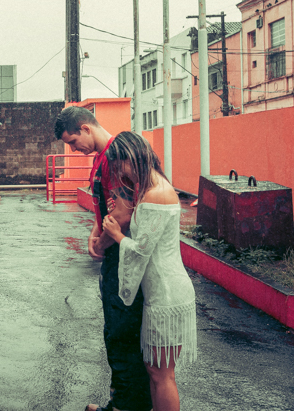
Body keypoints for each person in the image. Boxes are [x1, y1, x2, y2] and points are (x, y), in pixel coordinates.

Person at [54, 107, 152, 411]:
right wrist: (94, 233)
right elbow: (104, 206)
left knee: (121, 332)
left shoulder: (115, 156)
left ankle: (127, 405)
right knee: (114, 331)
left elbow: (123, 213)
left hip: (123, 257)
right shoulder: (100, 159)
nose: (73, 149)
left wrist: (103, 239)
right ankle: (121, 401)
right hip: (113, 254)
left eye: (72, 142)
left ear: (85, 128)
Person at [101, 131, 197, 411]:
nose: (120, 175)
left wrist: (116, 234)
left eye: (120, 167)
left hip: (167, 295)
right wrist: (122, 210)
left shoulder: (156, 194)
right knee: (155, 371)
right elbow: (145, 235)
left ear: (134, 156)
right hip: (162, 293)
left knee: (162, 374)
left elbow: (141, 251)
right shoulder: (153, 190)